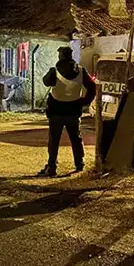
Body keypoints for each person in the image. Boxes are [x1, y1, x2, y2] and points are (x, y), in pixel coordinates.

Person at [38, 47, 97, 177]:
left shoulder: (54, 71)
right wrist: (83, 101)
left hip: (56, 111)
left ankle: (52, 167)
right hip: (73, 111)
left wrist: (51, 72)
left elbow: (46, 82)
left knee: (54, 140)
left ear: (60, 56)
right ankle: (79, 164)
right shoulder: (81, 71)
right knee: (76, 139)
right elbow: (92, 87)